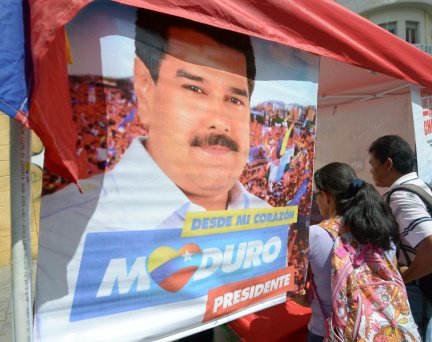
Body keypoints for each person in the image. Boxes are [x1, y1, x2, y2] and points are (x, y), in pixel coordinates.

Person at [35, 9, 288, 342]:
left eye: (234, 98)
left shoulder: (267, 221)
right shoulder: (61, 233)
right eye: (195, 90)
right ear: (145, 90)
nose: (220, 121)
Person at [368, 135, 432, 342]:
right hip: (428, 278)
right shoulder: (422, 185)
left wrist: (405, 277)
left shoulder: (401, 197)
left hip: (417, 284)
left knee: (414, 333)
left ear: (388, 164)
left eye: (373, 164)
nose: (371, 171)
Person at [307, 162, 400, 341]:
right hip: (378, 328)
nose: (315, 200)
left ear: (327, 196)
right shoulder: (380, 227)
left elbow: (298, 295)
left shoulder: (316, 235)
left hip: (330, 332)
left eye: (316, 195)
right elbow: (392, 271)